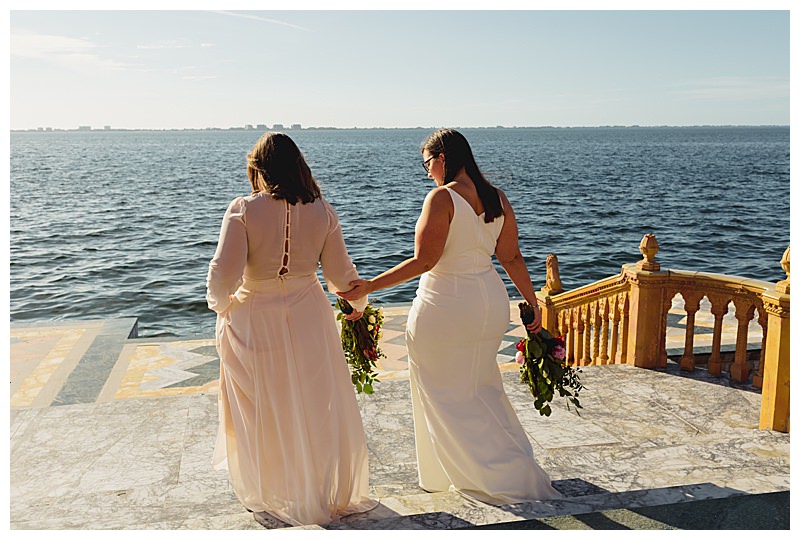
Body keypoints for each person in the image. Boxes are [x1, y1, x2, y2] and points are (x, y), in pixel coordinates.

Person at [339, 128, 561, 505]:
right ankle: (512, 468)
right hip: (490, 303)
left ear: (442, 159)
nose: (426, 172)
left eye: (427, 163)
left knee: (444, 392)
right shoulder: (497, 199)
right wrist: (533, 304)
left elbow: (426, 260)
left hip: (446, 306)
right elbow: (511, 258)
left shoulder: (441, 198)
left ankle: (474, 477)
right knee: (481, 386)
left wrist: (369, 286)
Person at [206, 132, 377, 526]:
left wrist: (224, 308)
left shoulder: (244, 210)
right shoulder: (322, 211)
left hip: (254, 318)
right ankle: (315, 487)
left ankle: (272, 487)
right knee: (312, 404)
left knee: (262, 405)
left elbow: (221, 277)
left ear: (259, 169)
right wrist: (359, 306)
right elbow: (341, 277)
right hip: (309, 316)